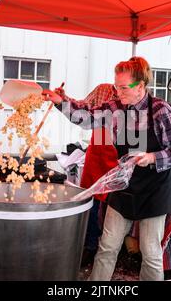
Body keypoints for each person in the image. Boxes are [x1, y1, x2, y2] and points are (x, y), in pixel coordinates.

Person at [44, 56, 171, 281]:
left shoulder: (161, 111)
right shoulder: (115, 108)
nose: (117, 92)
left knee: (151, 253)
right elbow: (86, 116)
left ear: (140, 86)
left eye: (123, 88)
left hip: (155, 189)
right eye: (115, 87)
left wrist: (151, 157)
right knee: (107, 247)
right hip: (124, 184)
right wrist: (59, 102)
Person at [61, 83, 119, 266]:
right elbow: (82, 106)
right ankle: (90, 245)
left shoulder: (133, 98)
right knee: (90, 202)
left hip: (117, 156)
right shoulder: (103, 89)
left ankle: (111, 250)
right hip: (96, 155)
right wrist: (64, 99)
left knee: (115, 206)